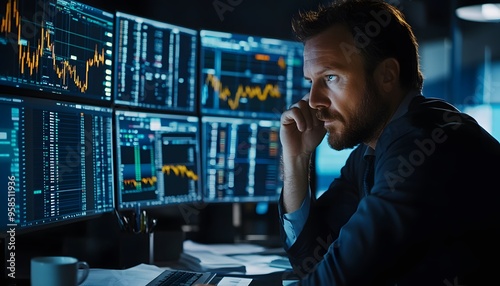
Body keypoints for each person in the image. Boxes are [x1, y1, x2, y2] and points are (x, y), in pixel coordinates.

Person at [278, 0, 500, 285]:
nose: (314, 101)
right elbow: (313, 260)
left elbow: (337, 279)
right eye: (311, 81)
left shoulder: (424, 147)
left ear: (387, 75)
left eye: (330, 77)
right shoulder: (371, 150)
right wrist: (297, 160)